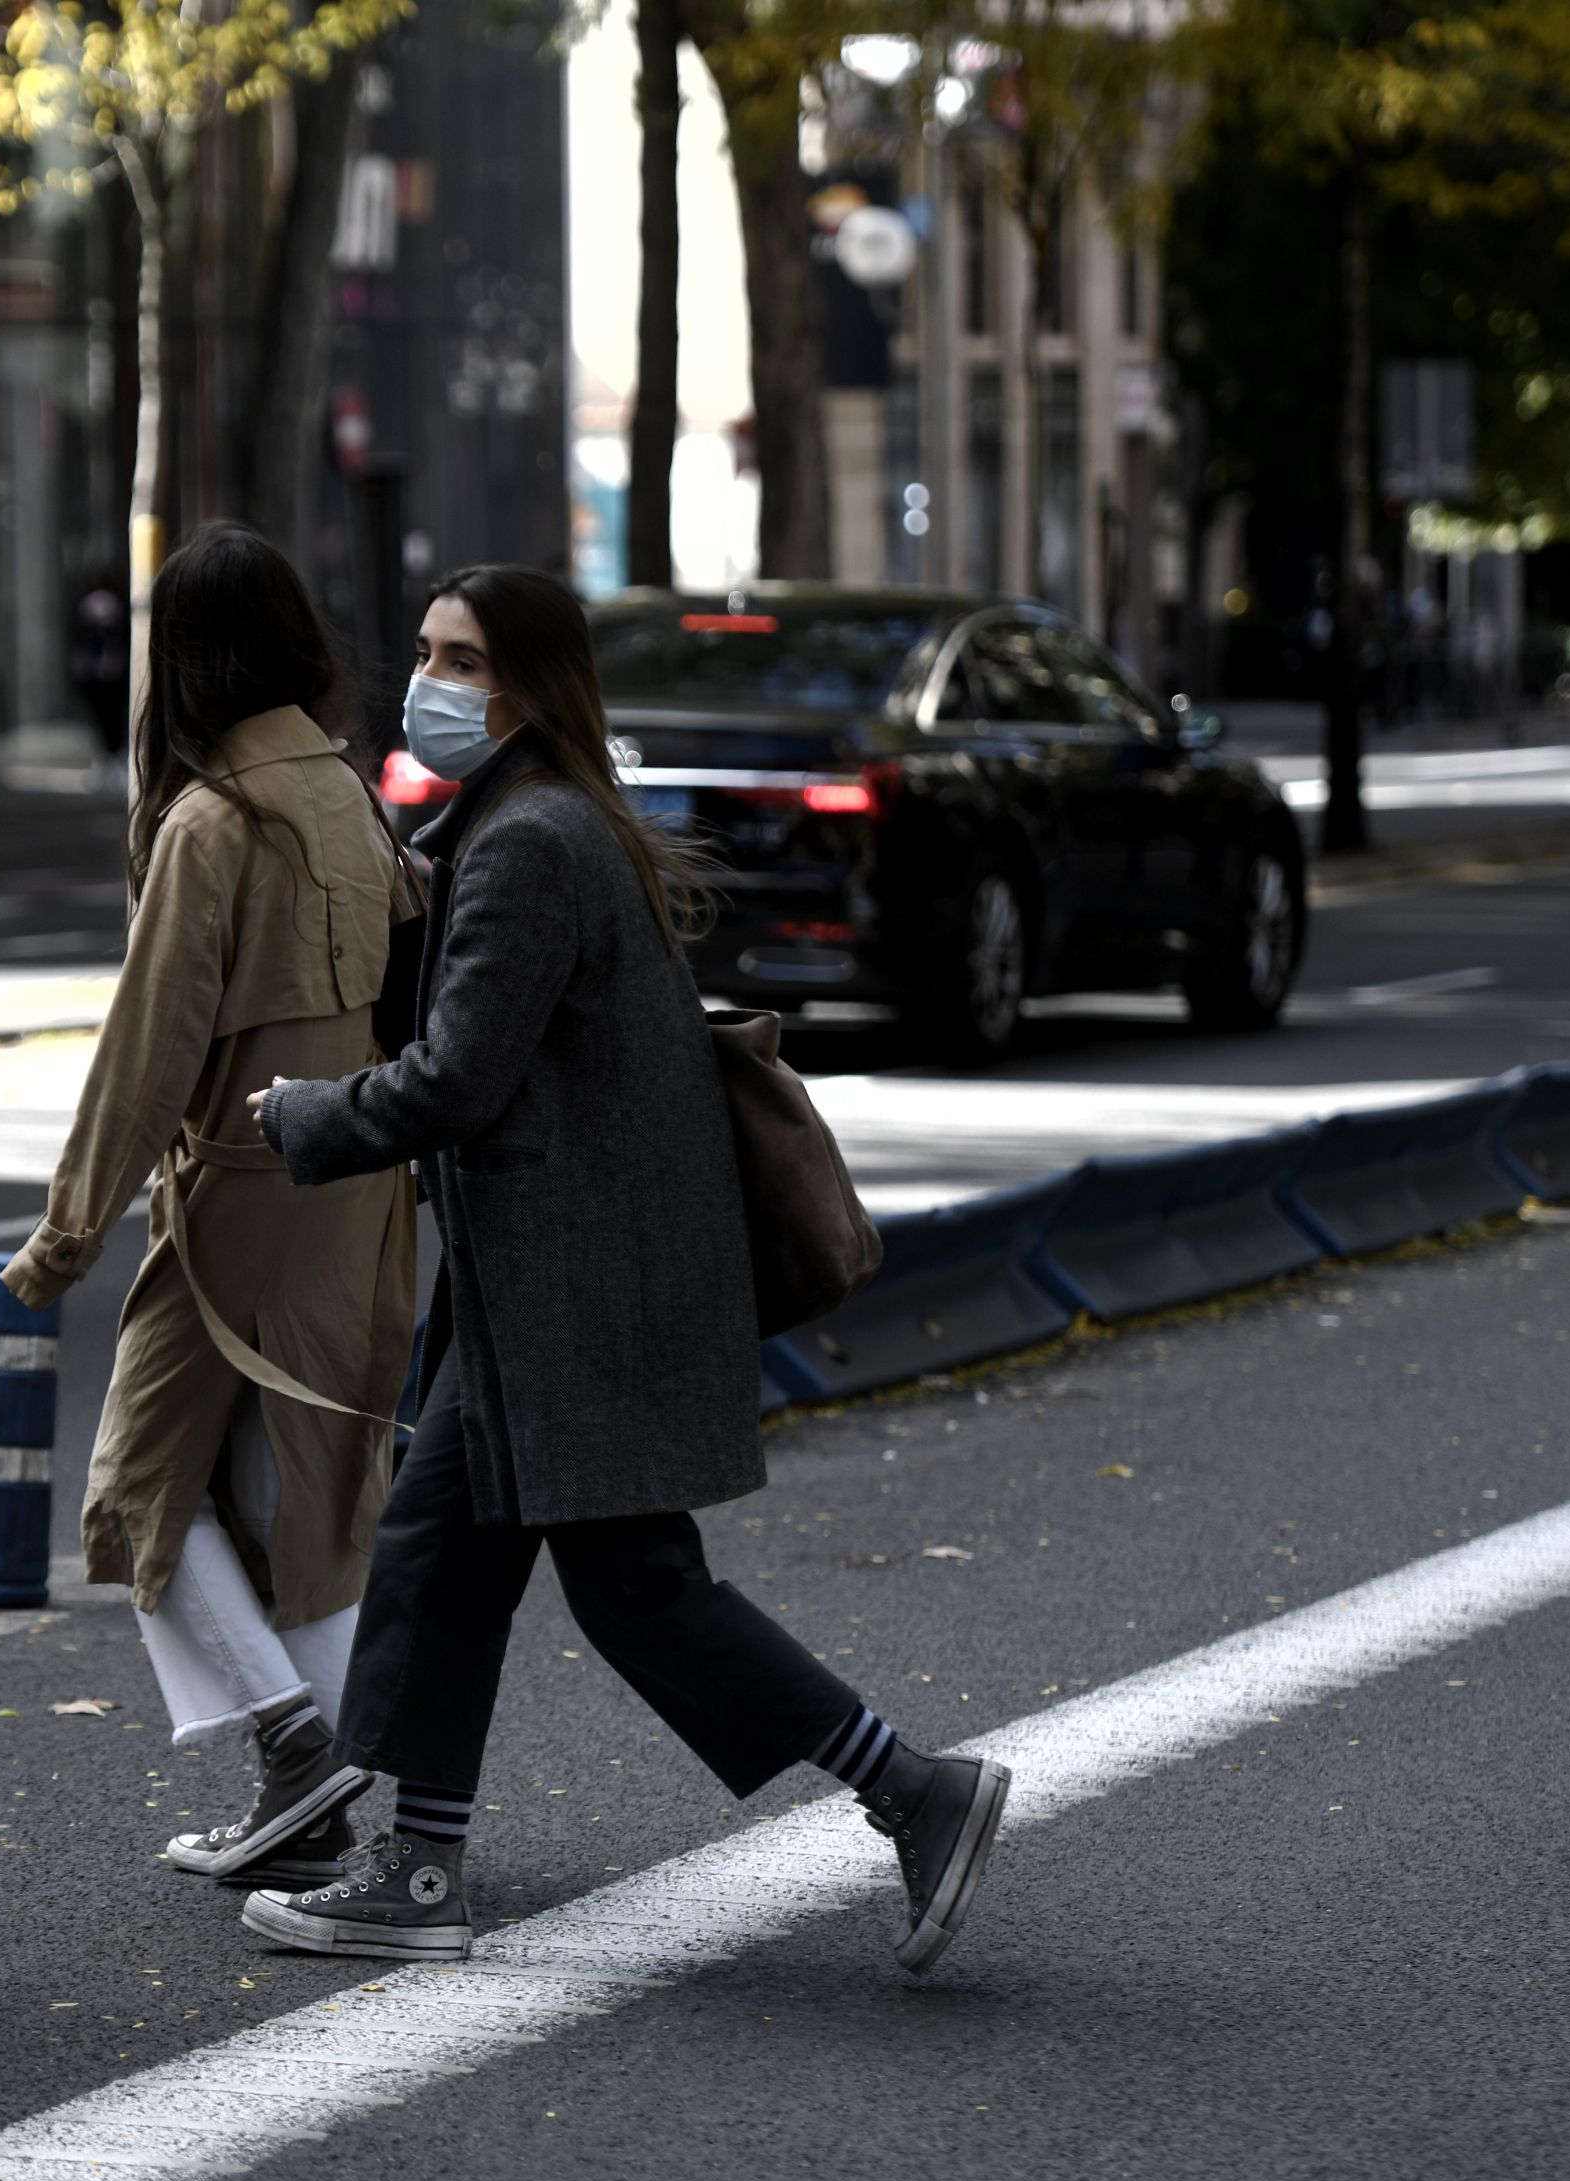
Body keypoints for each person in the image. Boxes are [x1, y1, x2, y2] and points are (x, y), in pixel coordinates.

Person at [244, 564, 1009, 1972]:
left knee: (453, 1559)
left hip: (569, 1287)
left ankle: (424, 1871)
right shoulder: (532, 818)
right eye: (422, 650)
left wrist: (299, 1118)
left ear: (528, 685)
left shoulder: (532, 839)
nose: (431, 680)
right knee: (605, 1583)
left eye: (462, 659)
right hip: (570, 1275)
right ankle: (912, 1792)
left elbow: (459, 1081)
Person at [0, 524, 421, 1891]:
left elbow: (148, 1056)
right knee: (300, 1494)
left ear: (179, 662)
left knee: (140, 1493)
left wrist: (66, 1232)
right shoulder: (349, 797)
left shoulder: (213, 821)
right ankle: (320, 1799)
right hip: (359, 1193)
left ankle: (300, 1756)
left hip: (238, 1204)